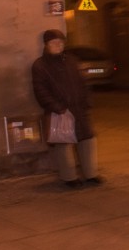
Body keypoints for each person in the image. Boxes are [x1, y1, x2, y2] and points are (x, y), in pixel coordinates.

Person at [31, 29, 101, 188]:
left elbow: (84, 83)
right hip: (59, 110)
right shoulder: (40, 65)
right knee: (64, 144)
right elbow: (40, 90)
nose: (58, 45)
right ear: (46, 45)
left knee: (87, 140)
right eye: (54, 43)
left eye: (60, 42)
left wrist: (87, 101)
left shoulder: (72, 60)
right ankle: (69, 178)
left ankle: (91, 174)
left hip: (79, 109)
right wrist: (57, 108)